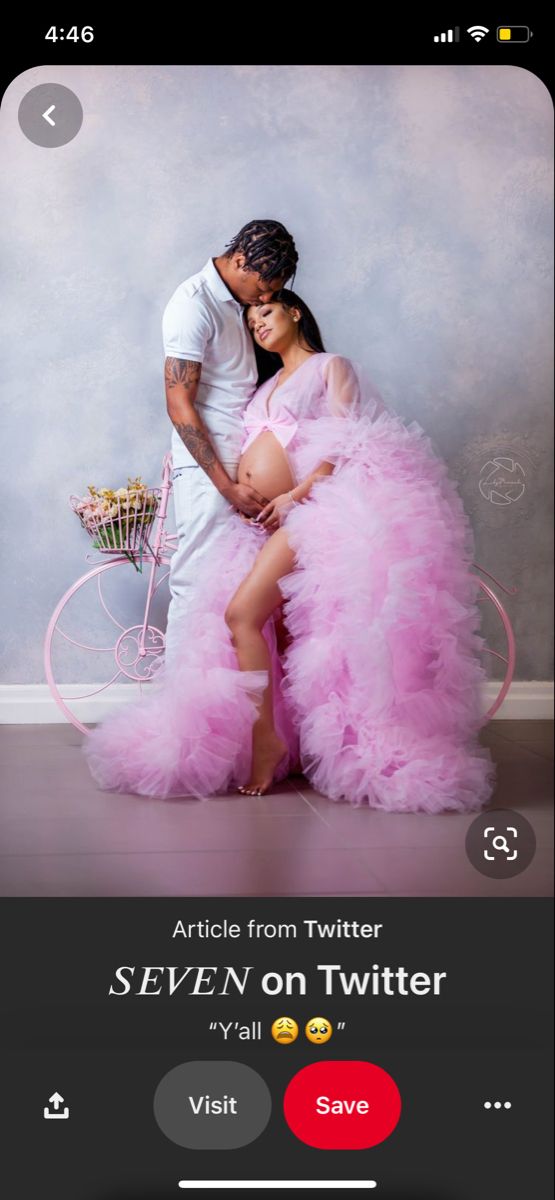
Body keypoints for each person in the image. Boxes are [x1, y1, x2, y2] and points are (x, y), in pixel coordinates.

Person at [85, 292, 495, 813]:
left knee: (241, 614)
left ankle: (267, 742)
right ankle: (293, 745)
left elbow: (347, 443)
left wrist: (295, 495)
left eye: (267, 313)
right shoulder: (264, 388)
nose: (258, 324)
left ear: (294, 313)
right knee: (277, 635)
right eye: (252, 320)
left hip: (313, 511)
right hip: (262, 521)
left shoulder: (329, 368)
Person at [162, 219, 298, 660]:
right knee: (196, 581)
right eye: (262, 287)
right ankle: (183, 714)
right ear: (239, 260)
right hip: (211, 470)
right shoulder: (193, 303)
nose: (265, 299)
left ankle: (238, 713)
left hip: (240, 460)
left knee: (238, 587)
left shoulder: (241, 302)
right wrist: (227, 487)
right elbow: (179, 403)